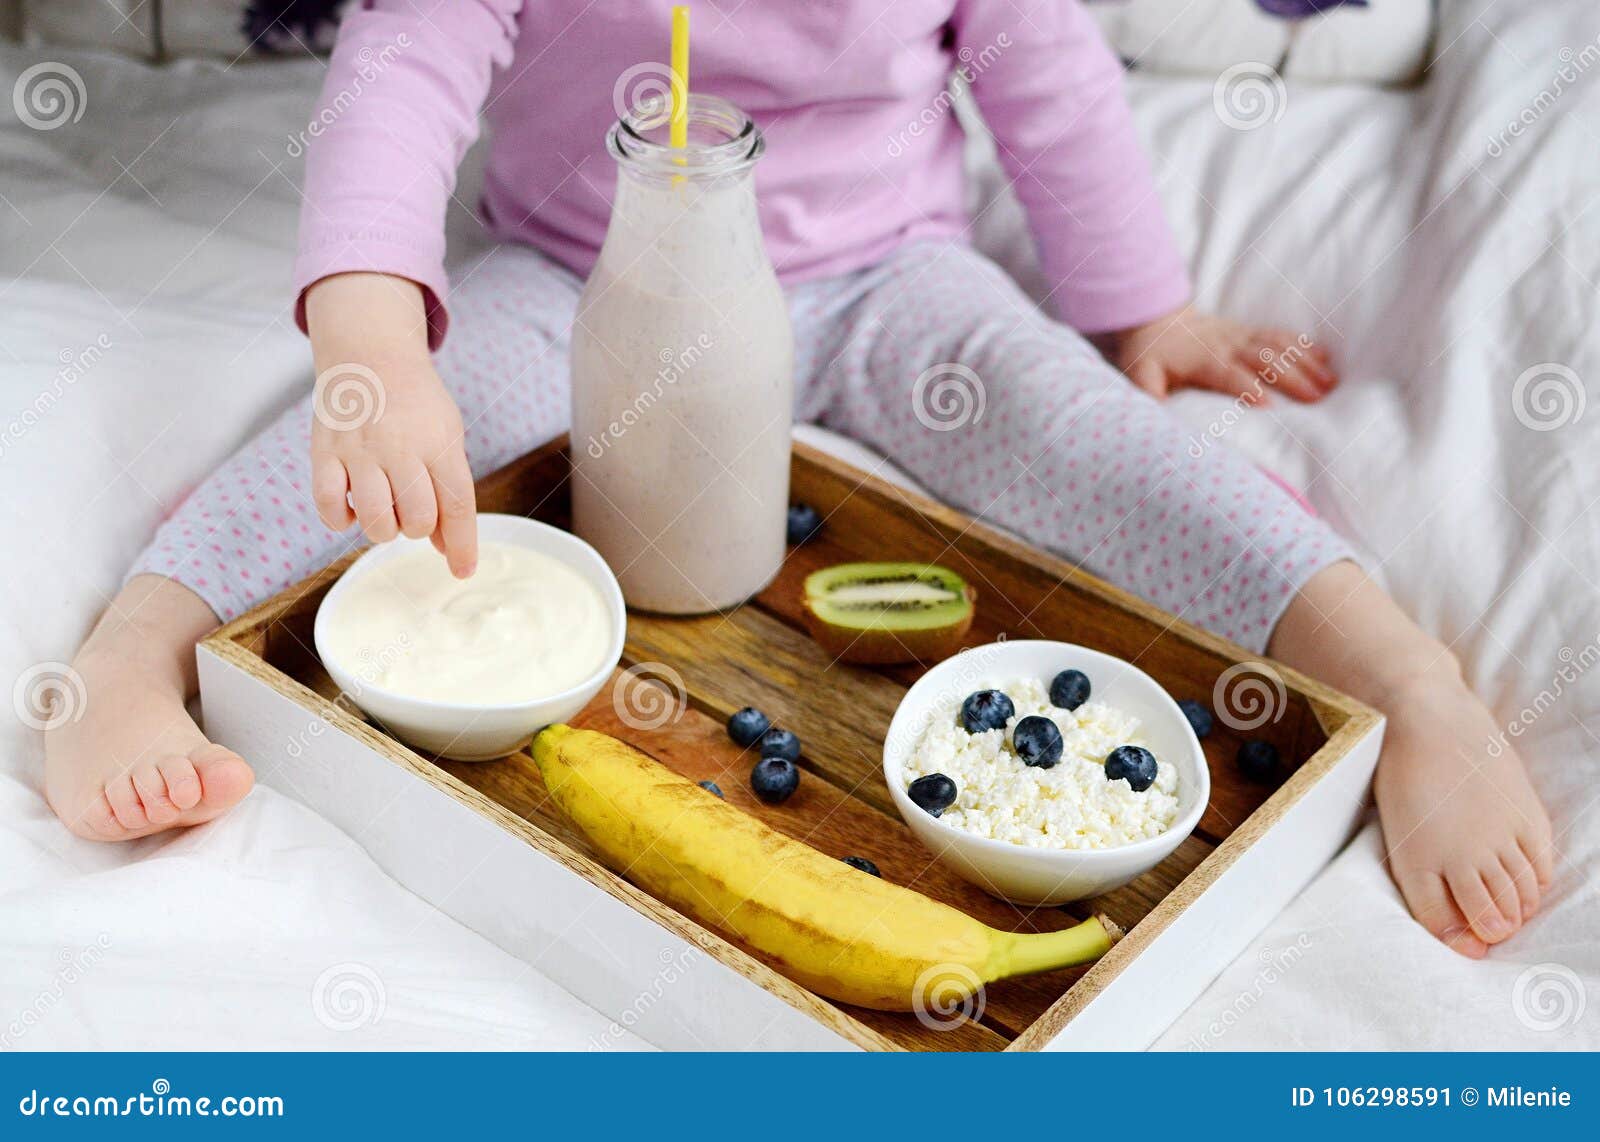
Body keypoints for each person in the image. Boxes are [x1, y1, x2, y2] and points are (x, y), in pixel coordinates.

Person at [45, 1, 1550, 958]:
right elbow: (405, 53)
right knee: (391, 430)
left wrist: (1142, 308)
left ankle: (1405, 684)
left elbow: (1050, 75)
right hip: (583, 271)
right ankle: (136, 647)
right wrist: (371, 328)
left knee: (1095, 443)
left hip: (888, 278)